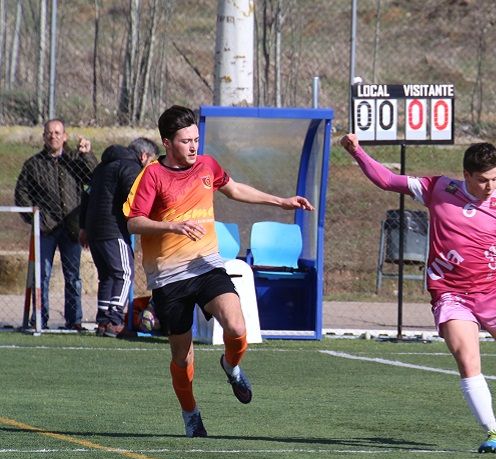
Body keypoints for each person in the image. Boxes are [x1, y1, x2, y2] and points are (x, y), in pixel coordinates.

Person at [341, 133, 496, 453]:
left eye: (495, 178)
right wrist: (357, 152)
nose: (490, 186)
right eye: (483, 180)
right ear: (466, 175)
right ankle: (493, 434)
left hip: (492, 295)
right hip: (451, 296)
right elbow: (388, 180)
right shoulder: (439, 188)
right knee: (467, 359)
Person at [124, 105, 314, 437]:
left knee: (237, 326)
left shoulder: (207, 165)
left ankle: (231, 365)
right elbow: (134, 222)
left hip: (207, 265)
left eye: (196, 139)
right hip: (169, 278)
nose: (193, 147)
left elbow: (234, 189)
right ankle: (191, 413)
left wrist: (281, 202)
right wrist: (172, 226)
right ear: (167, 143)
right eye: (185, 141)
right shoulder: (153, 175)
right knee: (182, 359)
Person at [15, 119, 97, 331]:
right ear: (44, 136)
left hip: (72, 229)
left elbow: (95, 177)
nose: (53, 136)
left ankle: (74, 320)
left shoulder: (75, 160)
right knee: (41, 276)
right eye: (49, 133)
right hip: (45, 228)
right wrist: (34, 218)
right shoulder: (33, 164)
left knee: (73, 277)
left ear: (65, 136)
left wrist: (87, 154)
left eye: (57, 132)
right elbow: (21, 193)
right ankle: (39, 319)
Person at [79, 137, 160, 337]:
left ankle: (103, 321)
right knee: (124, 273)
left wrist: (83, 227)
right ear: (144, 156)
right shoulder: (131, 167)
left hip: (94, 230)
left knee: (107, 276)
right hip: (113, 229)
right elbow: (134, 196)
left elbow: (86, 195)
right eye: (152, 161)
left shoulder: (102, 167)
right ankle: (115, 321)